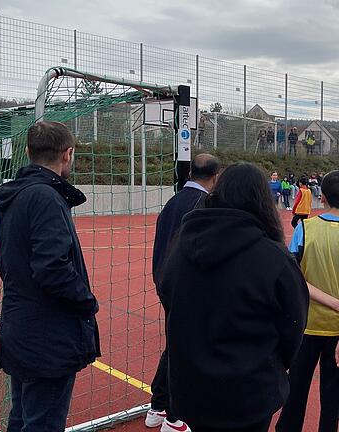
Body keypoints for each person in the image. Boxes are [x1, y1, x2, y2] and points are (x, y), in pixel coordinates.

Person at [160, 163, 309, 432]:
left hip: (192, 388)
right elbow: (294, 326)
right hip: (248, 392)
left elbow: (168, 296)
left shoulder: (182, 244)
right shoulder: (273, 258)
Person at [0, 121, 100, 431]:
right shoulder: (46, 197)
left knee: (23, 417)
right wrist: (86, 302)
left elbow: (6, 260)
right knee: (42, 423)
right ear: (67, 154)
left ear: (28, 152)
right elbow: (52, 268)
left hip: (20, 326)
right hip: (46, 336)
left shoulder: (11, 197)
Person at [277, 170, 339, 432]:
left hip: (305, 324)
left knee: (295, 389)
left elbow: (292, 278)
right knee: (333, 393)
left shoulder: (305, 229)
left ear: (322, 197)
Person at [148, 153, 221, 432]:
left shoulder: (173, 201)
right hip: (189, 288)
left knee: (175, 344)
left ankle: (158, 405)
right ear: (215, 177)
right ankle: (174, 416)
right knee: (187, 349)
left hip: (166, 283)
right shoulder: (204, 204)